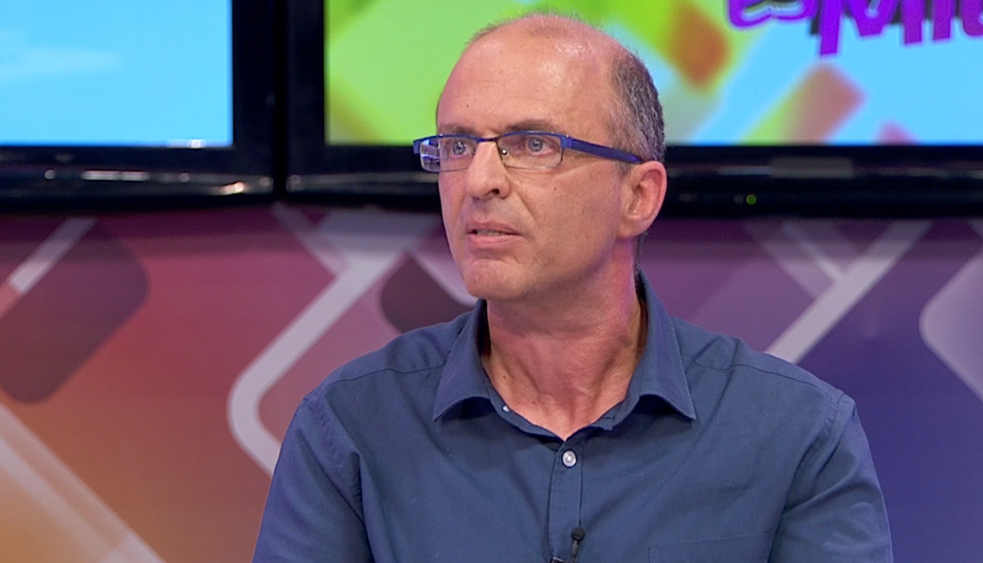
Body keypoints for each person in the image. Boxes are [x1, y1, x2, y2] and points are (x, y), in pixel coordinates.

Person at [252, 13, 892, 563]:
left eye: (532, 144)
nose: (479, 181)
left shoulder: (796, 434)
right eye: (457, 145)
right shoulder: (351, 427)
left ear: (638, 197)